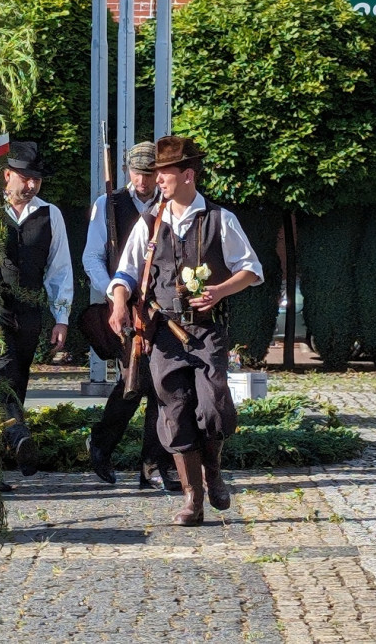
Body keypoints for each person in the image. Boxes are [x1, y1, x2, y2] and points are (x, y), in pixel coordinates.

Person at [108, 136, 263, 526]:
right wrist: (119, 302)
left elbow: (251, 269)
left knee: (212, 408)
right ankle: (192, 499)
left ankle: (213, 472)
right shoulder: (150, 221)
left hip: (207, 331)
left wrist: (221, 291)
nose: (157, 180)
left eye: (165, 173)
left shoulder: (219, 219)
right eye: (156, 173)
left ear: (188, 174)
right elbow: (125, 271)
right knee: (173, 413)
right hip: (162, 334)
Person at [82, 141, 180, 491]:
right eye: (137, 172)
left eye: (150, 173)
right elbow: (92, 256)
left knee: (160, 385)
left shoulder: (169, 205)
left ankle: (152, 465)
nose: (143, 180)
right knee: (132, 383)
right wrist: (115, 294)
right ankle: (101, 446)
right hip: (126, 309)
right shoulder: (107, 204)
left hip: (161, 309)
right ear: (127, 171)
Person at [0, 141, 73, 477]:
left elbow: (60, 269)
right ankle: (18, 436)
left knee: (19, 378)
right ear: (7, 175)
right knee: (3, 372)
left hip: (29, 311)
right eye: (25, 178)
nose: (30, 186)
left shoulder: (50, 214)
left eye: (36, 181)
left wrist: (62, 318)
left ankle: (4, 453)